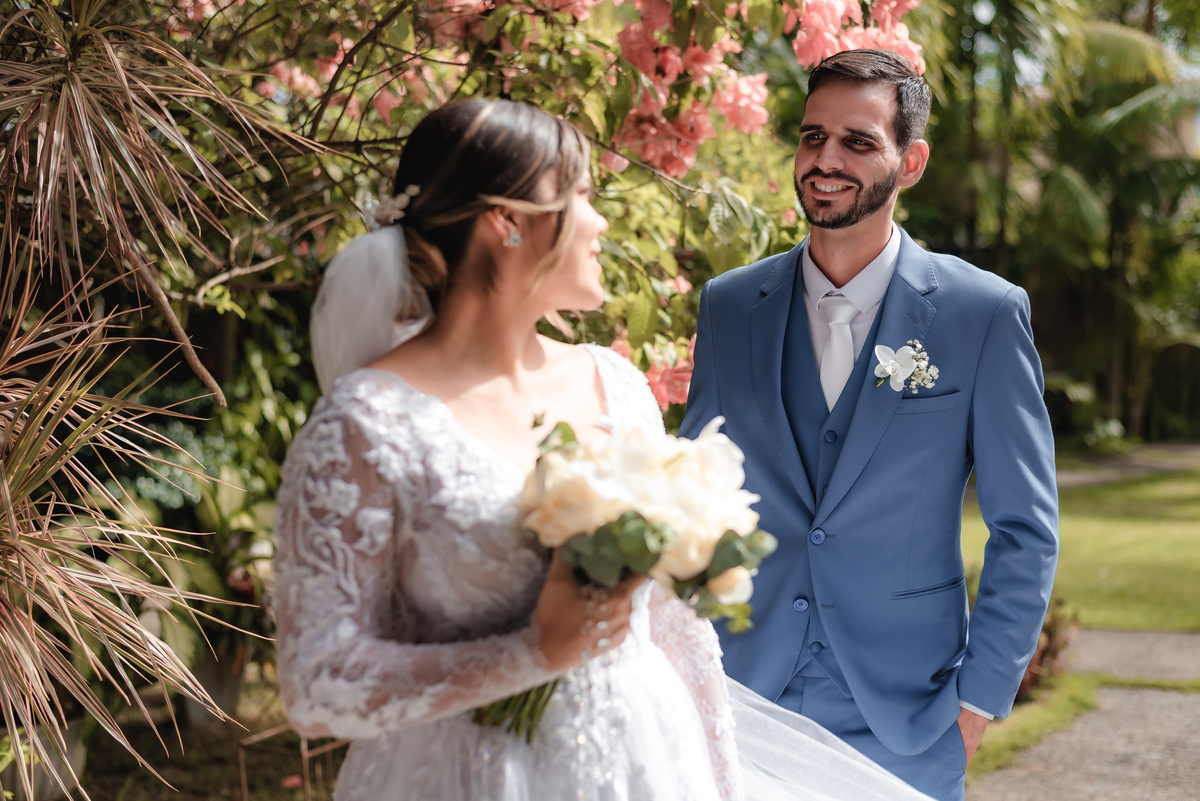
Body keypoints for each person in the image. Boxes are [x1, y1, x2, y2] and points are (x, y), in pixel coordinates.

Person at [273, 98, 936, 801]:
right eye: (583, 198)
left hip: (645, 762)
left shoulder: (613, 383)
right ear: (508, 222)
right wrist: (531, 653)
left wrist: (723, 783)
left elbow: (677, 631)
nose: (601, 223)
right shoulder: (366, 424)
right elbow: (317, 684)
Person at [679, 48, 1060, 801]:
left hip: (907, 719)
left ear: (909, 163)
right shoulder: (729, 305)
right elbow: (694, 492)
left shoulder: (981, 314)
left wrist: (976, 703)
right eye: (813, 136)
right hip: (740, 699)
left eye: (858, 141)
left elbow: (1026, 529)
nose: (826, 160)